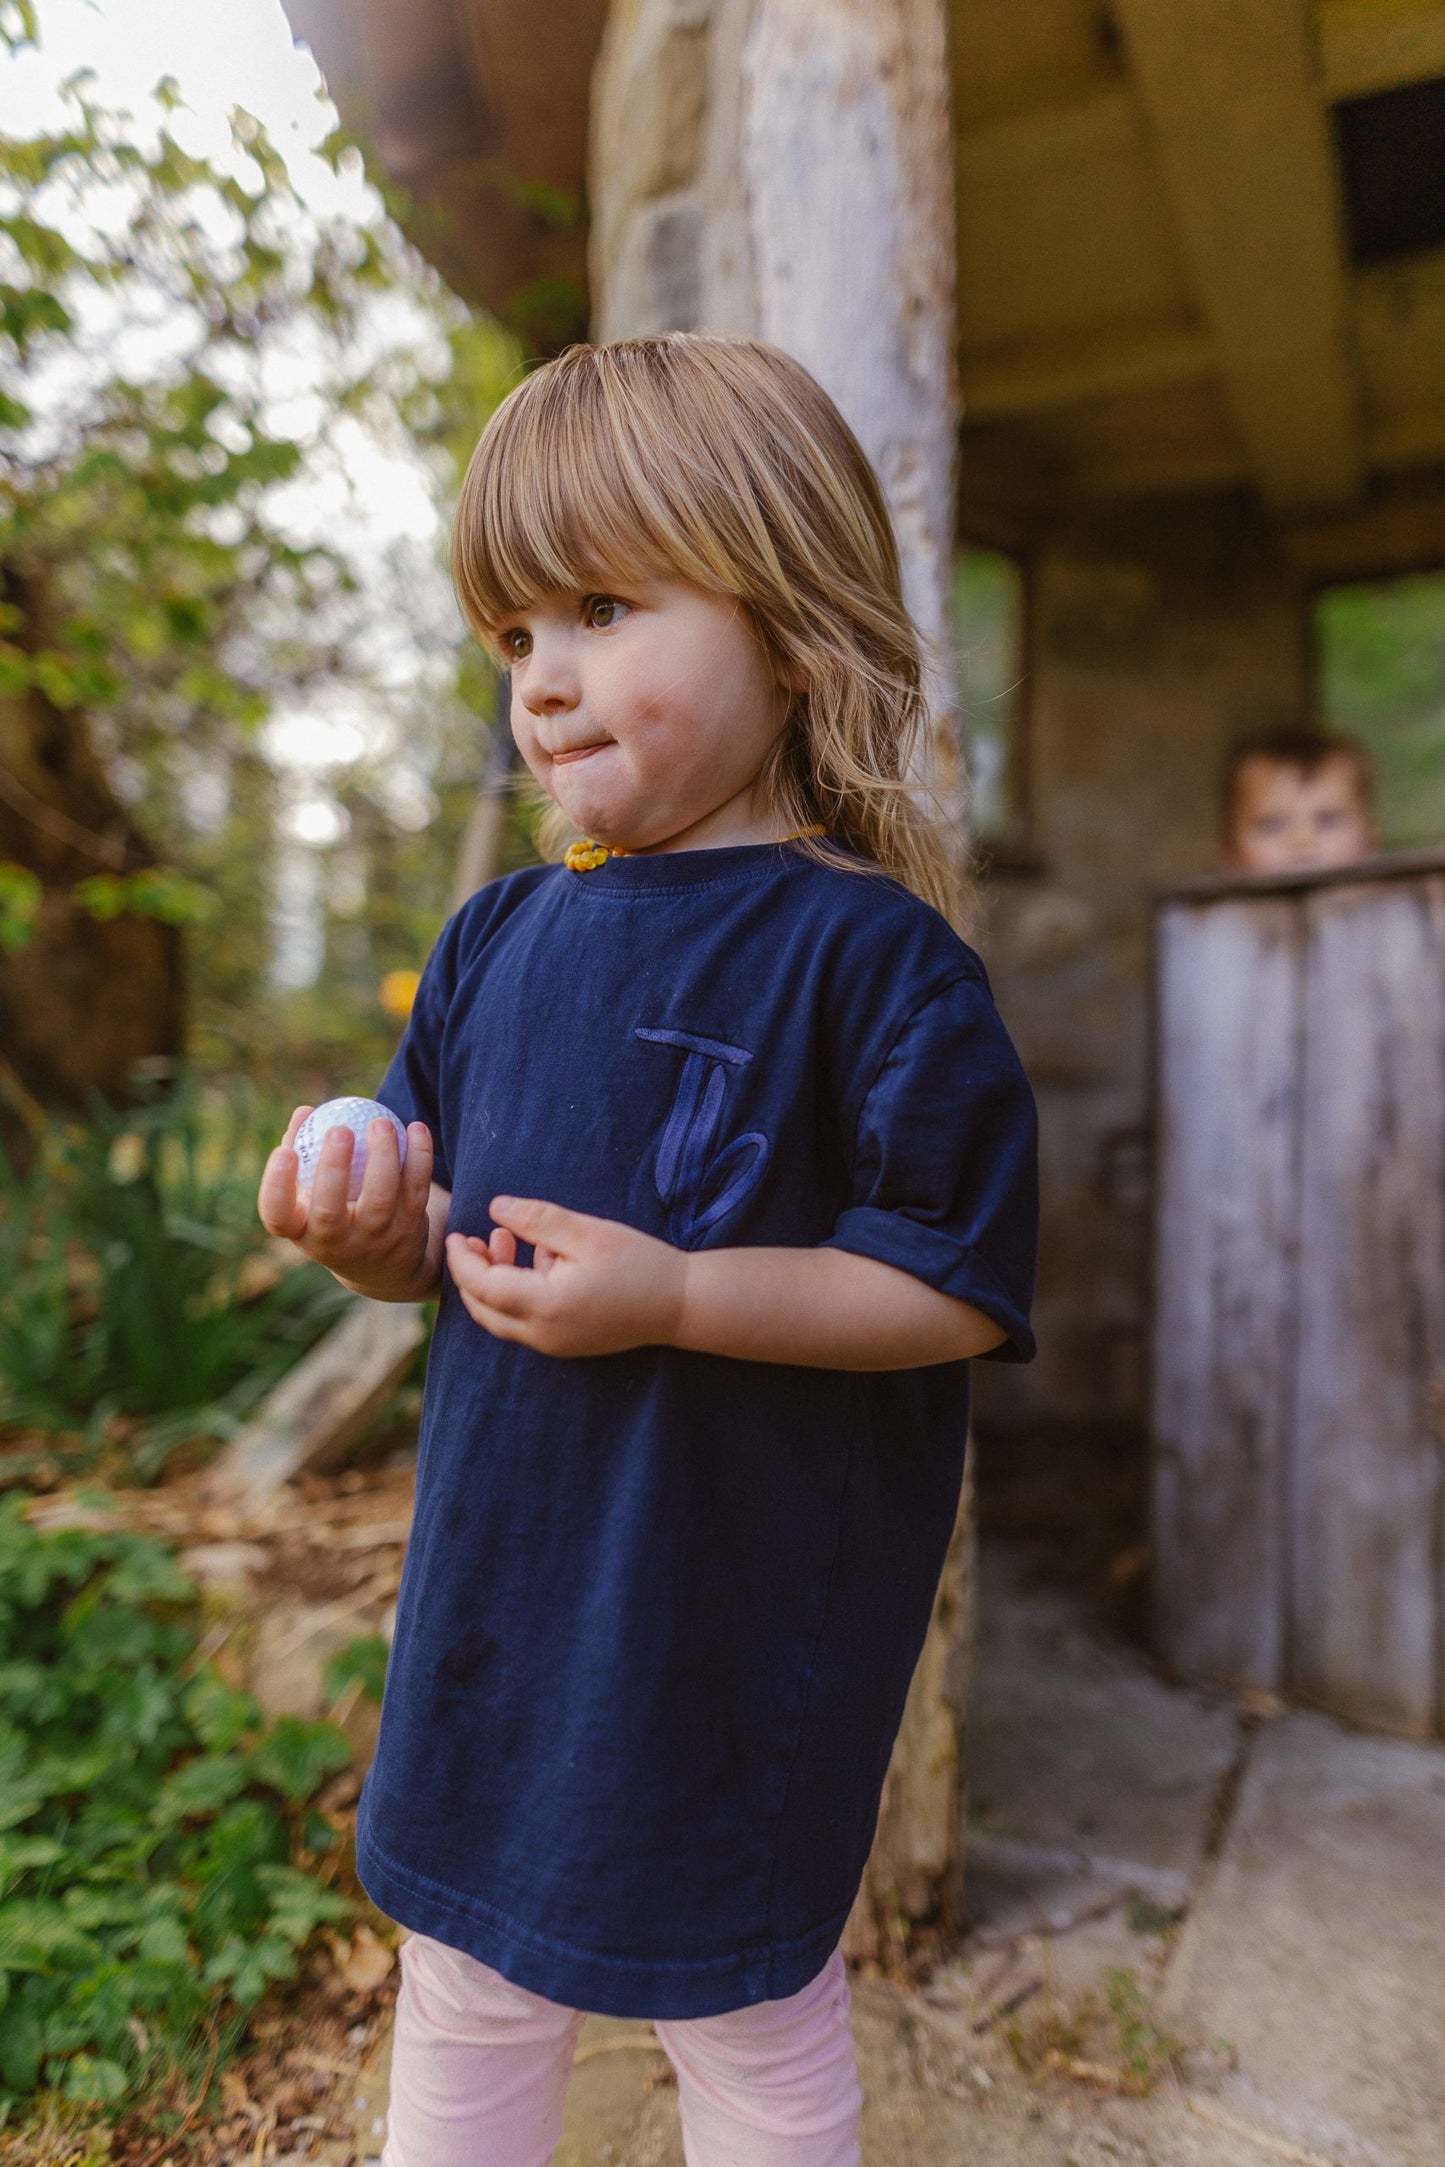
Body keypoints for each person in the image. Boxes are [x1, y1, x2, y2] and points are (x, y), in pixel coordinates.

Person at [257, 334, 1038, 2167]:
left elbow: (951, 1284)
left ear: (786, 619)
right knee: (463, 1978)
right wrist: (378, 1226)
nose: (543, 680)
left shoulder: (876, 963)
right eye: (513, 636)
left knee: (744, 2011)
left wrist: (680, 1296)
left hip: (730, 1621)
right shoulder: (496, 940)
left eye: (601, 607)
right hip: (502, 1598)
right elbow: (442, 1243)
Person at [1218, 724, 1379, 874]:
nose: (1302, 842)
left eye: (1328, 821)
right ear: (1229, 849)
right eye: (1272, 826)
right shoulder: (1216, 906)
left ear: (1371, 835)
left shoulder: (1396, 903)